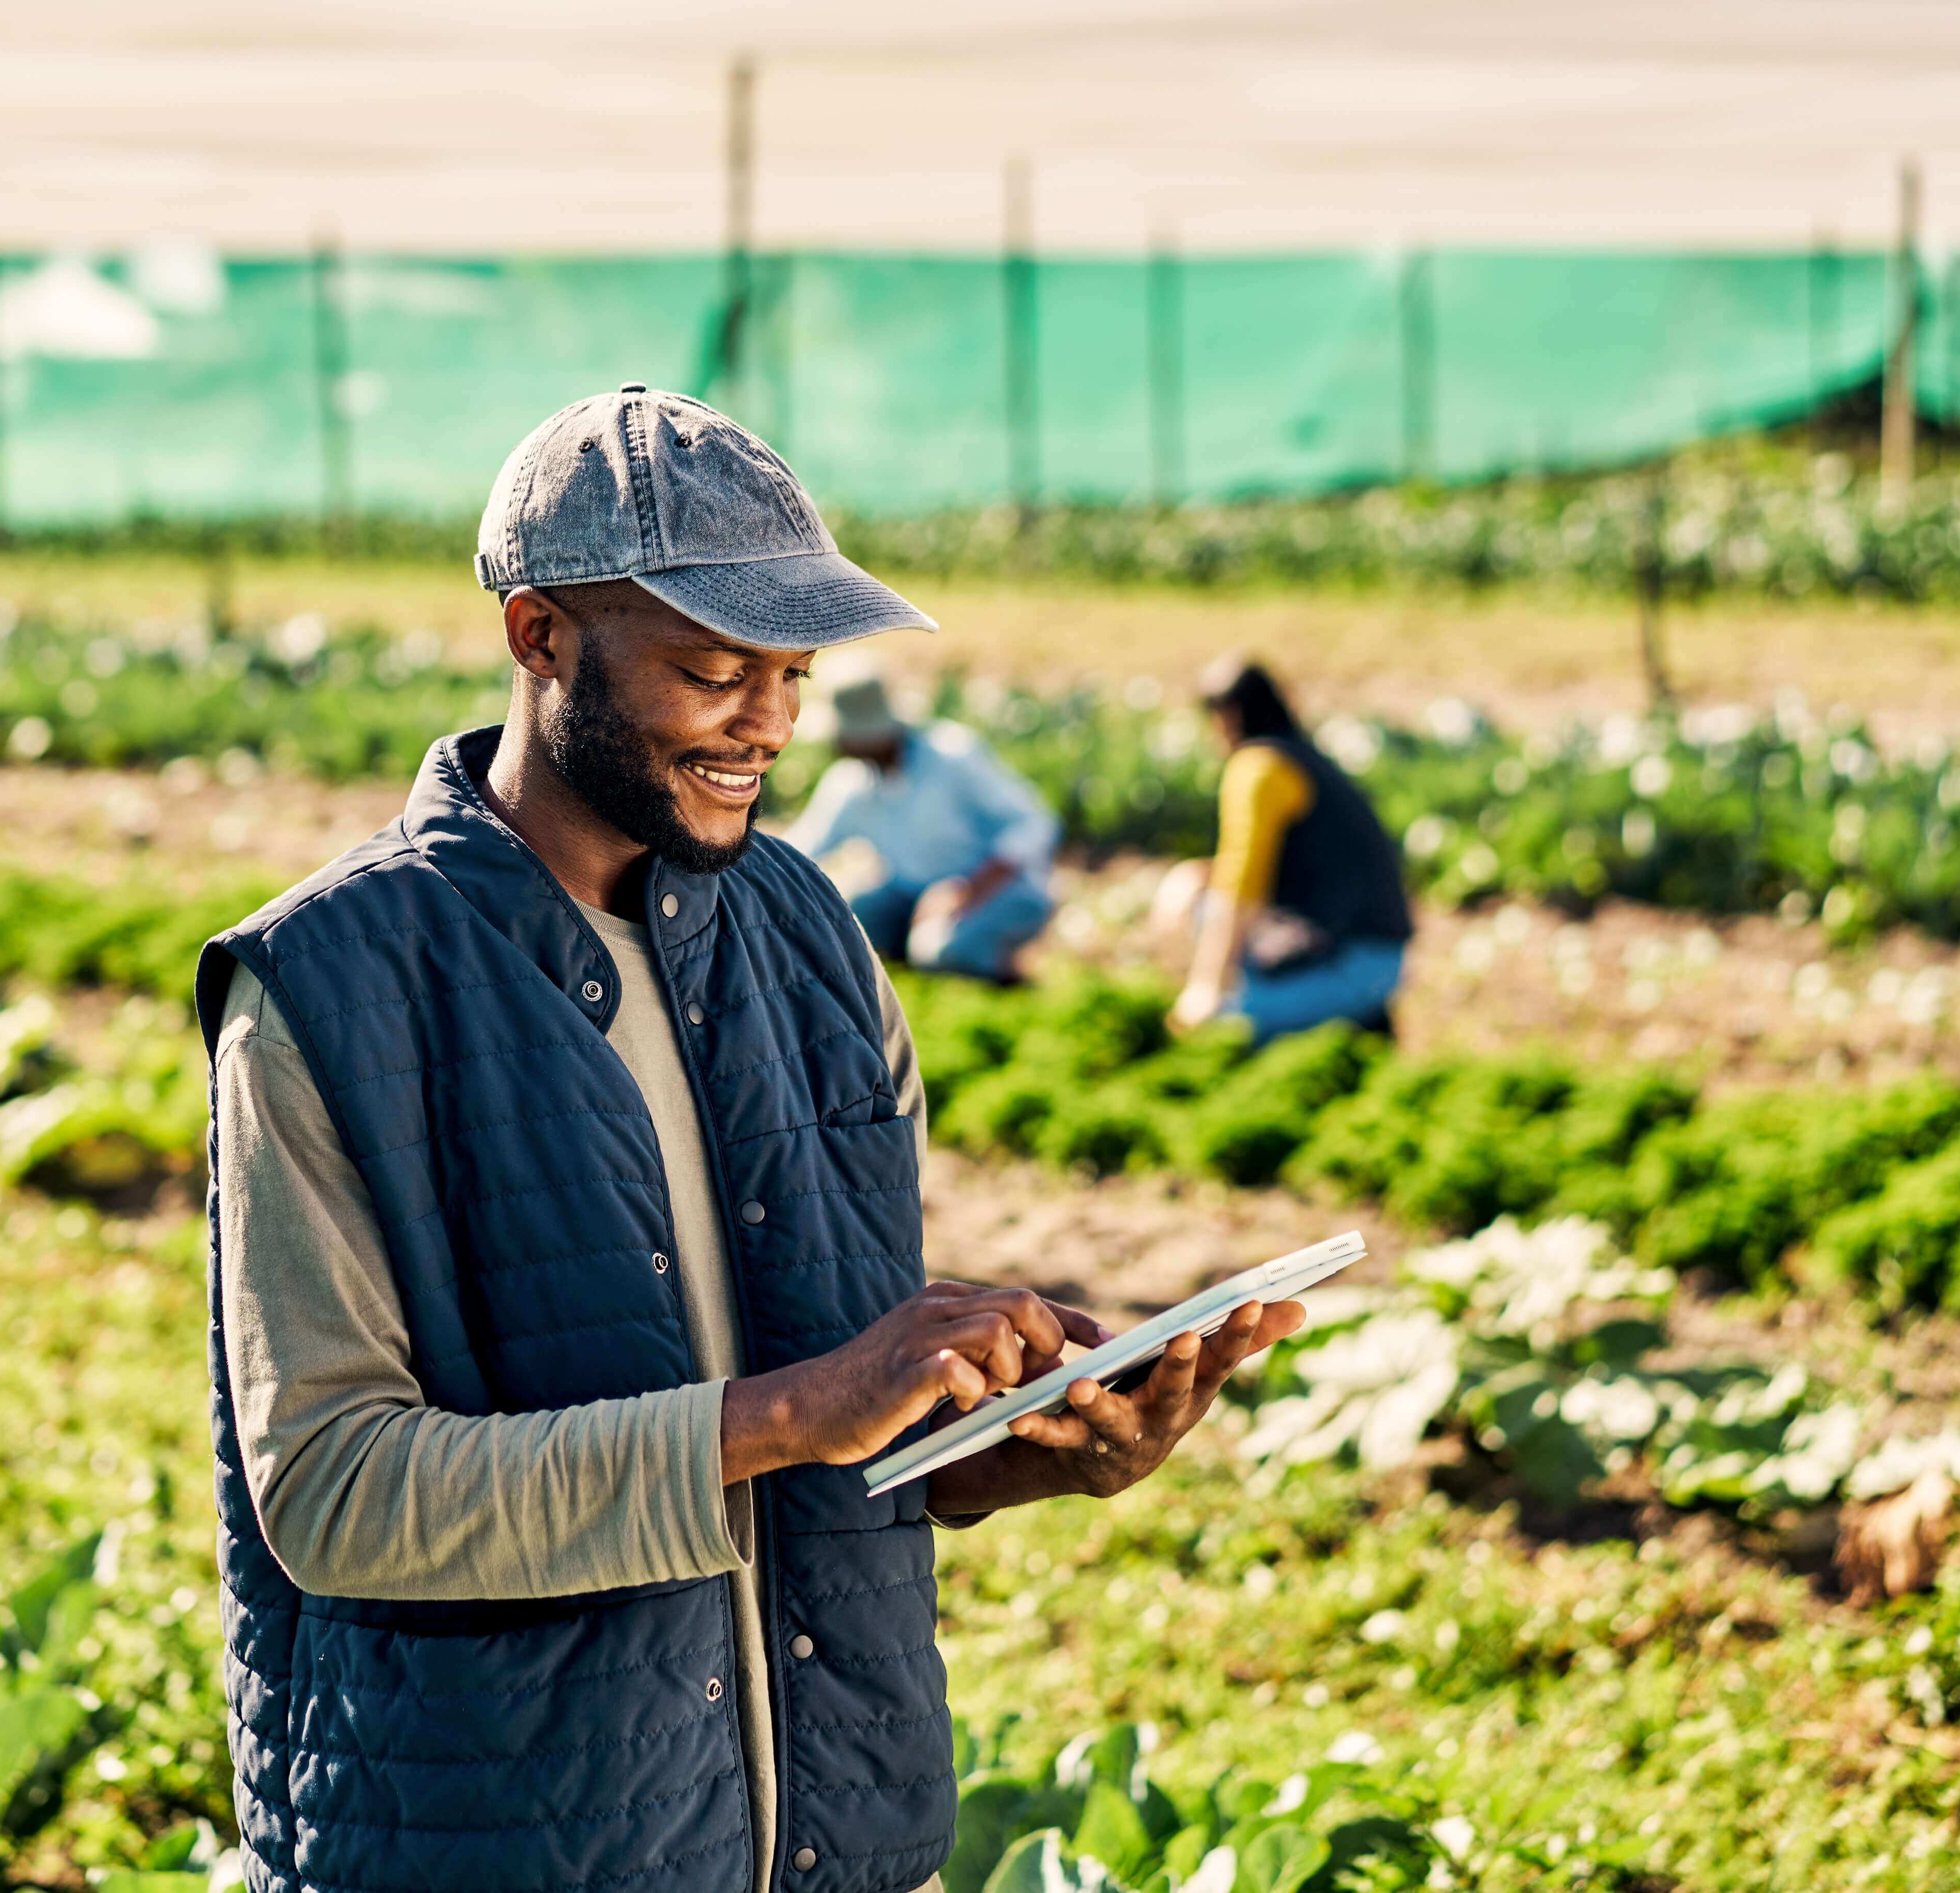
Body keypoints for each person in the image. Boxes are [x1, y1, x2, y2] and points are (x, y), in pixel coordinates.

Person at [197, 386, 1303, 1893]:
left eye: (790, 670)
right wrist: (791, 1409)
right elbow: (335, 1492)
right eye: (715, 669)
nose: (768, 723)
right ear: (540, 638)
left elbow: (830, 1430)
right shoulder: (332, 985)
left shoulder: (811, 938)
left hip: (833, 1841)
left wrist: (1014, 1449)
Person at [1156, 657, 1414, 1039]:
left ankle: (1335, 1019)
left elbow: (1241, 887)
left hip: (1353, 964)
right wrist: (1198, 873)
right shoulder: (1302, 759)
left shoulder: (1258, 769)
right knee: (1207, 906)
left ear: (1227, 717)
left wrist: (1205, 989)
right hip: (1380, 957)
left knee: (1230, 1030)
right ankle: (1356, 1021)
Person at [781, 675, 1058, 983]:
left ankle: (1011, 977)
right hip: (913, 897)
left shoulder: (952, 758)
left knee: (939, 950)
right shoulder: (852, 782)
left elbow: (1034, 824)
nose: (836, 744)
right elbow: (803, 848)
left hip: (999, 892)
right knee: (848, 928)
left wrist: (967, 890)